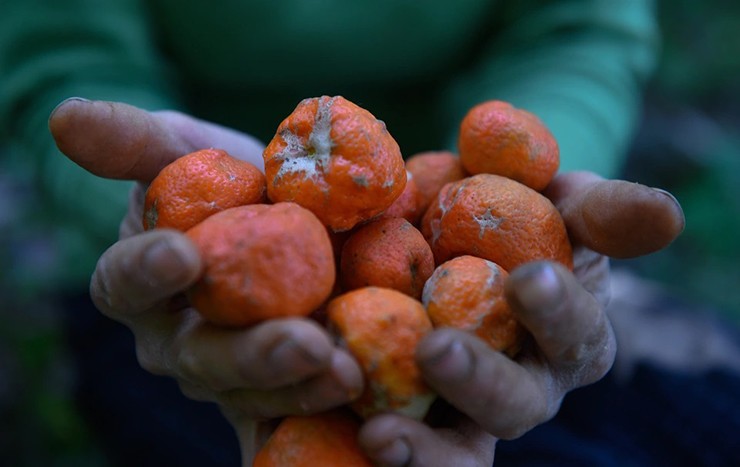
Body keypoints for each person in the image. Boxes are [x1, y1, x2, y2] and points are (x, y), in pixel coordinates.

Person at [0, 1, 691, 465]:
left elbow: (576, 27)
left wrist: (552, 191)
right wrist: (142, 186)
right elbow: (61, 60)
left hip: (450, 210)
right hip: (181, 299)